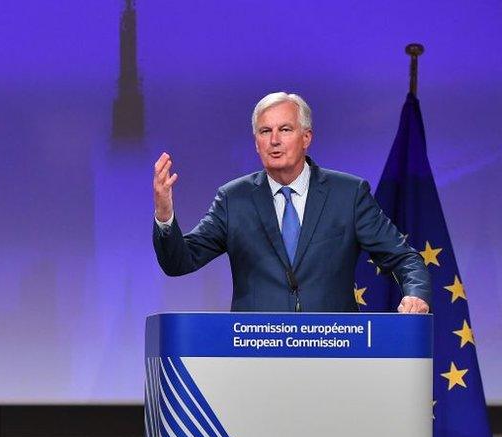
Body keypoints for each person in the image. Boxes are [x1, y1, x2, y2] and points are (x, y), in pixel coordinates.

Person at [152, 92, 430, 313]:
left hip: (333, 352)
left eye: (285, 129)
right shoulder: (233, 199)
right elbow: (180, 262)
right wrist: (165, 215)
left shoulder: (349, 194)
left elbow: (404, 257)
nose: (274, 140)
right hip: (256, 354)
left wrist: (415, 295)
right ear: (255, 142)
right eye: (265, 131)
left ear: (306, 137)